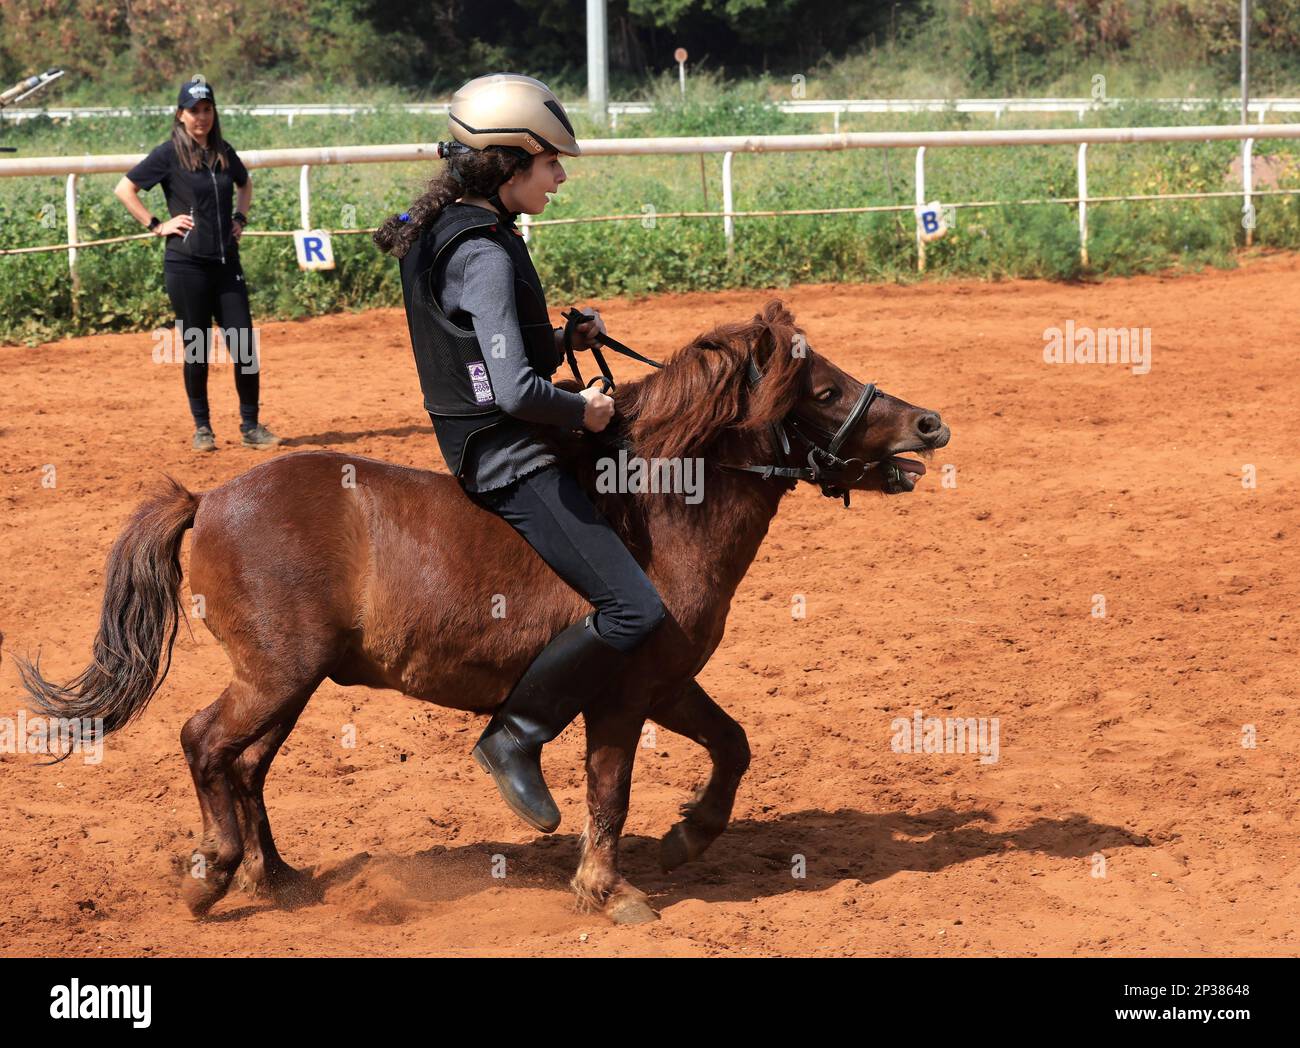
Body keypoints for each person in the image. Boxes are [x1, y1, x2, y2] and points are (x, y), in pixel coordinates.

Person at [373, 73, 667, 833]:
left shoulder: (449, 228)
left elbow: (481, 346)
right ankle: (516, 736)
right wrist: (586, 408)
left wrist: (565, 340)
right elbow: (510, 390)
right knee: (634, 608)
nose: (561, 177)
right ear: (510, 166)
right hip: (507, 453)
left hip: (482, 432)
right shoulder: (490, 254)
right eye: (551, 164)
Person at [114, 77, 280, 452]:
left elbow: (245, 183)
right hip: (186, 265)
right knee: (197, 346)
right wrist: (158, 225)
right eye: (194, 111)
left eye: (207, 110)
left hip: (226, 265)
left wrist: (241, 218)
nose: (201, 117)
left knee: (244, 346)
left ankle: (251, 425)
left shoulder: (223, 152)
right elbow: (125, 189)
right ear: (180, 115)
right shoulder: (167, 154)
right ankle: (203, 428)